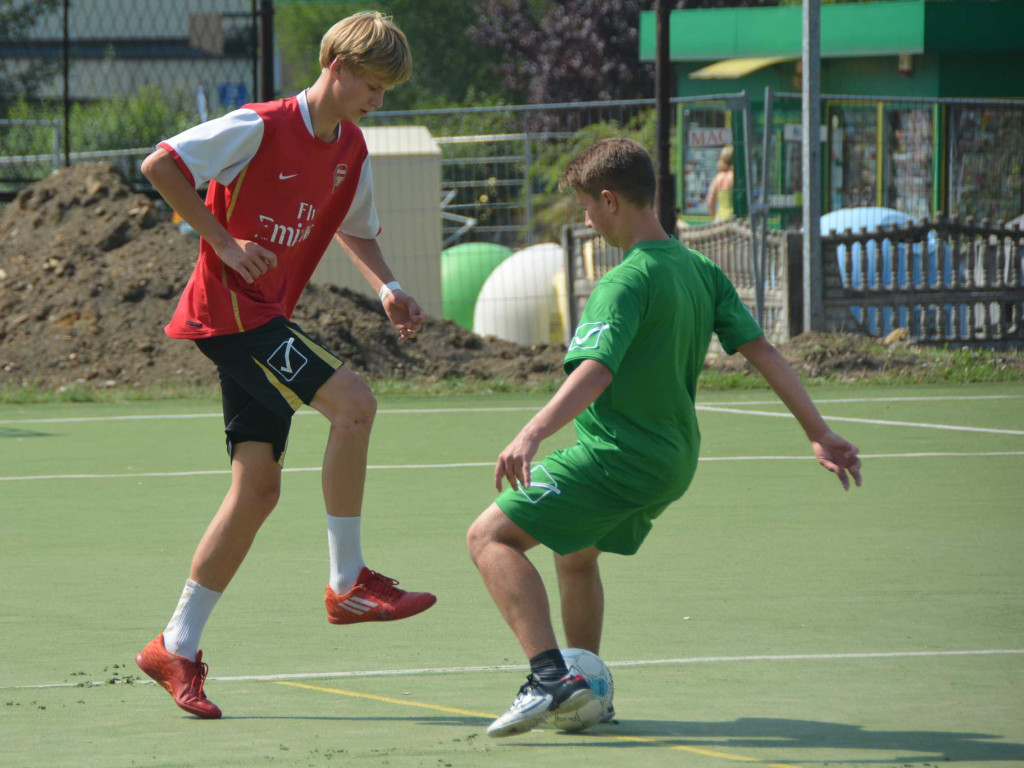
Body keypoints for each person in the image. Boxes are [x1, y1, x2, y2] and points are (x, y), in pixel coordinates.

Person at [466, 137, 862, 738]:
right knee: (575, 556)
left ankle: (551, 678)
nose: (588, 221)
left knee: (490, 537)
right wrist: (819, 431)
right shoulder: (699, 269)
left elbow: (596, 369)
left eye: (587, 209)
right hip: (674, 459)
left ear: (609, 199)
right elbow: (763, 351)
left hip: (617, 457)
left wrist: (532, 431)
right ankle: (589, 691)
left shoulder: (625, 282)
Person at [134, 11, 436, 720]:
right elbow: (161, 166)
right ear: (338, 66)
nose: (378, 99)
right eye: (374, 83)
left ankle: (174, 644)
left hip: (263, 317)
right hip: (232, 315)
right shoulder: (260, 125)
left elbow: (355, 227)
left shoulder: (351, 148)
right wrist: (224, 242)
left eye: (388, 89)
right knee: (353, 404)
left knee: (258, 489)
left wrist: (387, 285)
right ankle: (347, 582)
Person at [706, 144, 735, 221]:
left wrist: (714, 215)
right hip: (735, 219)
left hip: (720, 219)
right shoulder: (734, 176)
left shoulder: (717, 178)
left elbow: (710, 201)